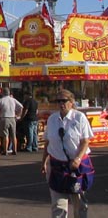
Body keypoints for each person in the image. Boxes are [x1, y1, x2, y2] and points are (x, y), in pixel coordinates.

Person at [40, 89, 93, 218]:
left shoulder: (79, 117)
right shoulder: (52, 119)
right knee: (58, 205)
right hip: (57, 165)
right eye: (58, 101)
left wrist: (77, 159)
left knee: (79, 204)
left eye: (63, 101)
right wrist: (44, 162)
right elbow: (48, 142)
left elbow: (85, 141)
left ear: (71, 102)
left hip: (76, 166)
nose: (60, 104)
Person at [0, 87, 23, 155]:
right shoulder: (13, 99)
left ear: (2, 93)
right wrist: (18, 115)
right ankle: (14, 150)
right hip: (12, 118)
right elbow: (21, 107)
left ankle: (5, 150)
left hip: (4, 118)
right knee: (13, 135)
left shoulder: (1, 100)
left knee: (5, 135)